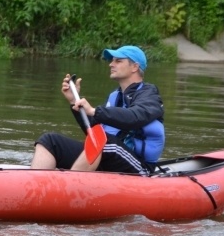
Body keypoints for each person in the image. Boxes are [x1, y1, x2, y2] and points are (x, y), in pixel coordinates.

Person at [31, 45, 165, 175]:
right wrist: (74, 102)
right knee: (50, 141)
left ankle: (69, 188)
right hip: (109, 155)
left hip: (140, 168)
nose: (111, 64)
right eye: (112, 60)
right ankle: (35, 187)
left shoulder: (150, 95)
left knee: (103, 141)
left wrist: (95, 111)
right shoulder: (115, 96)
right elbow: (93, 133)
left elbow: (135, 117)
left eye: (118, 61)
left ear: (135, 67)